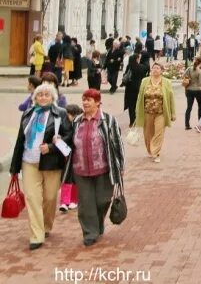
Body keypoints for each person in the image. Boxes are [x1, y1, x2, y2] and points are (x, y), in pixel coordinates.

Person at [9, 83, 72, 250]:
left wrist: (51, 148)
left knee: (50, 198)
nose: (43, 97)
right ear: (34, 98)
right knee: (32, 197)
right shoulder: (28, 113)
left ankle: (46, 225)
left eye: (46, 95)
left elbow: (69, 136)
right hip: (28, 161)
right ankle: (36, 235)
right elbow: (20, 141)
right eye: (40, 95)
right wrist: (14, 168)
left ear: (53, 98)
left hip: (51, 163)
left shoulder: (61, 114)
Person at [65, 89, 124, 246]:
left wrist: (120, 166)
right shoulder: (77, 121)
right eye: (84, 99)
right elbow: (70, 142)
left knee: (102, 200)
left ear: (98, 102)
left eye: (89, 100)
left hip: (104, 168)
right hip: (80, 168)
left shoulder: (108, 120)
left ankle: (98, 224)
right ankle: (90, 233)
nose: (85, 102)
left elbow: (117, 144)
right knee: (85, 203)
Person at [135, 62, 176, 163]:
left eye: (158, 68)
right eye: (154, 68)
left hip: (161, 112)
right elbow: (140, 97)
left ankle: (156, 152)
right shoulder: (145, 81)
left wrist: (173, 112)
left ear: (161, 71)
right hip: (147, 112)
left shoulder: (166, 82)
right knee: (148, 134)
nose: (155, 70)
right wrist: (137, 111)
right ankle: (150, 150)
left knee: (159, 132)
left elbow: (171, 98)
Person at [58, 104, 82, 214]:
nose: (67, 117)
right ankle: (64, 201)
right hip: (66, 155)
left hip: (76, 155)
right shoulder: (64, 125)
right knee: (66, 177)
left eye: (68, 115)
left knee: (74, 178)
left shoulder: (78, 124)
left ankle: (73, 200)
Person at [124, 53, 149, 127]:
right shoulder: (142, 67)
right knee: (139, 104)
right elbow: (146, 73)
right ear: (137, 59)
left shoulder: (129, 66)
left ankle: (132, 121)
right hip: (139, 87)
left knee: (131, 105)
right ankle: (139, 120)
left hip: (130, 88)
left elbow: (125, 75)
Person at [183, 57, 201, 130]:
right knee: (200, 107)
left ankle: (187, 124)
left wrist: (188, 80)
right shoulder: (200, 71)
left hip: (189, 90)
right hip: (197, 90)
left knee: (189, 107)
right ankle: (200, 123)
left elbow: (183, 76)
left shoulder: (189, 69)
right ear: (200, 63)